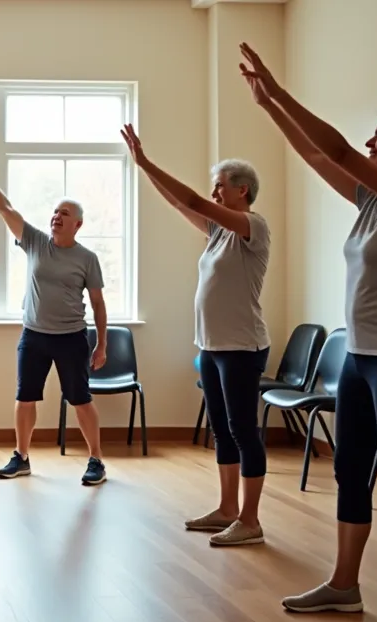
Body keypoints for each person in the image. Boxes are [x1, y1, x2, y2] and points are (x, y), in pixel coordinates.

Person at [240, 42, 377, 622]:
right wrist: (267, 106)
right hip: (360, 355)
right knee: (350, 470)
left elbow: (333, 149)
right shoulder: (372, 201)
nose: (368, 141)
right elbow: (314, 154)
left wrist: (280, 90)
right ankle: (344, 585)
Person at [120, 125, 272, 547]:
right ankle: (227, 508)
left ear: (242, 190)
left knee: (243, 430)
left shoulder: (252, 227)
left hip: (241, 347)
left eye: (220, 186)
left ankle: (250, 520)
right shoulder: (218, 232)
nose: (214, 192)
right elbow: (178, 202)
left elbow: (190, 200)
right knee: (221, 429)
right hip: (211, 346)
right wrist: (144, 170)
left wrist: (147, 161)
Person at [0, 147, 109, 485]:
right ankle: (22, 457)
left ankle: (96, 460)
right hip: (34, 335)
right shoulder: (36, 242)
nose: (57, 216)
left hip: (71, 338)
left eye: (64, 213)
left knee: (80, 400)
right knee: (25, 398)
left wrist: (102, 344)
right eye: (55, 211)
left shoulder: (87, 258)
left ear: (78, 224)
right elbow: (5, 208)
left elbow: (98, 303)